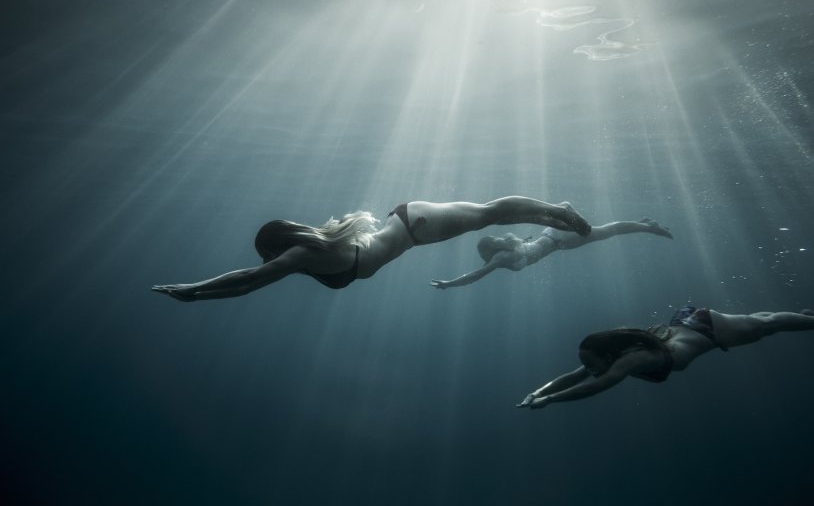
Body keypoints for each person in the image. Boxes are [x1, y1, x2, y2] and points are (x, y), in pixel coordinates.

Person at [151, 197, 591, 301]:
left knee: (491, 213)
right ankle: (554, 216)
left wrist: (192, 289)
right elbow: (249, 286)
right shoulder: (303, 259)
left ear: (277, 248)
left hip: (414, 223)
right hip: (410, 226)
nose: (267, 264)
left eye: (267, 254)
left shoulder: (300, 257)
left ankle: (558, 210)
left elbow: (247, 278)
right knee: (489, 215)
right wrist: (197, 296)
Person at [516, 306, 814, 410]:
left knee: (766, 326)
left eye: (593, 363)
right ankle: (803, 318)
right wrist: (538, 392)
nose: (590, 369)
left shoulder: (630, 361)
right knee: (757, 324)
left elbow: (599, 385)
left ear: (608, 356)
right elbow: (574, 376)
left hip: (706, 328)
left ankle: (808, 320)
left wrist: (552, 400)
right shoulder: (610, 356)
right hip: (685, 324)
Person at [430, 218, 672, 289]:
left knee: (608, 232)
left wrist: (449, 284)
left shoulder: (500, 258)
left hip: (560, 240)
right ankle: (644, 224)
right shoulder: (508, 248)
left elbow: (476, 275)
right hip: (552, 235)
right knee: (607, 231)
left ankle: (649, 227)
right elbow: (527, 247)